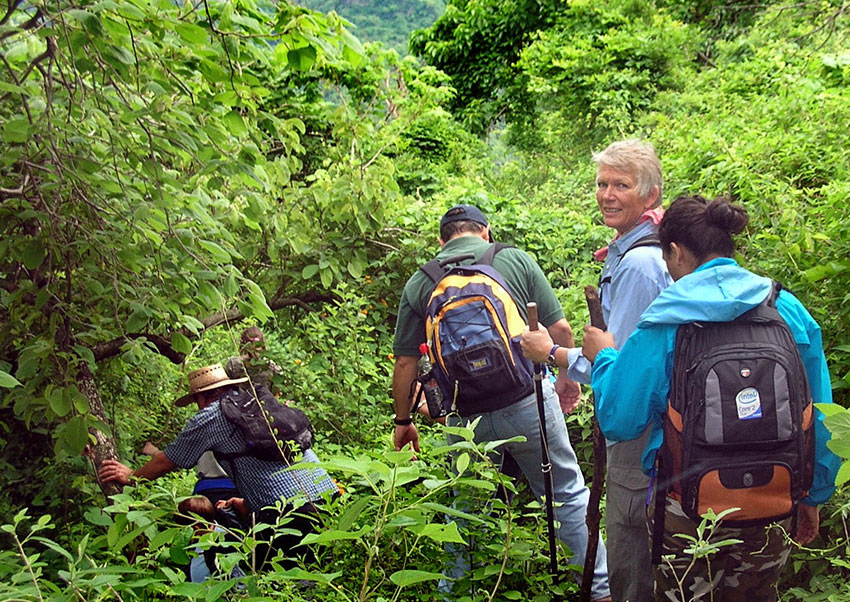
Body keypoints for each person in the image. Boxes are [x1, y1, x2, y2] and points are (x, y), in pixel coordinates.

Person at [579, 196, 839, 601]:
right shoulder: (785, 309)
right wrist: (815, 493)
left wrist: (604, 357)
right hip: (775, 498)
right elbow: (820, 412)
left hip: (688, 511)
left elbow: (619, 417)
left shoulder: (667, 320)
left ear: (676, 252)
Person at [391, 203, 611, 601]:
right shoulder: (513, 260)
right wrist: (565, 379)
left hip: (463, 415)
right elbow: (560, 328)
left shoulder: (420, 282)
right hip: (527, 400)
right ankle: (600, 589)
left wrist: (402, 420)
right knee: (564, 493)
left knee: (468, 506)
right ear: (485, 232)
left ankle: (458, 592)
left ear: (442, 241)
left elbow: (406, 361)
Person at [523, 139, 671, 602]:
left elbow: (622, 368)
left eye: (621, 185)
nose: (607, 194)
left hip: (641, 427)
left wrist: (554, 354)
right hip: (648, 421)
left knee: (631, 547)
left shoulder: (640, 264)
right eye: (602, 183)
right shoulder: (634, 251)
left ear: (650, 195)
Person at [99, 363, 337, 570]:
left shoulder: (210, 416)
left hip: (287, 513)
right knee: (320, 572)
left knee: (281, 578)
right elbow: (267, 464)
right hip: (327, 496)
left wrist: (131, 476)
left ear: (201, 398)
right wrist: (247, 503)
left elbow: (167, 460)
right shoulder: (256, 402)